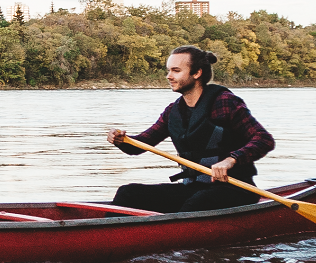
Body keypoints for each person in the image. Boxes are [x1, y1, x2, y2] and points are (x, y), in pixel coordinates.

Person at [105, 45, 275, 213]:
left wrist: (231, 160)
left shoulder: (225, 103)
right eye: (168, 70)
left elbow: (263, 139)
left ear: (197, 73)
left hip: (235, 189)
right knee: (128, 193)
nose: (169, 76)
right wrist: (121, 140)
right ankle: (107, 235)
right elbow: (140, 145)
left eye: (176, 70)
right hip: (194, 188)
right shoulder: (173, 111)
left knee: (196, 204)